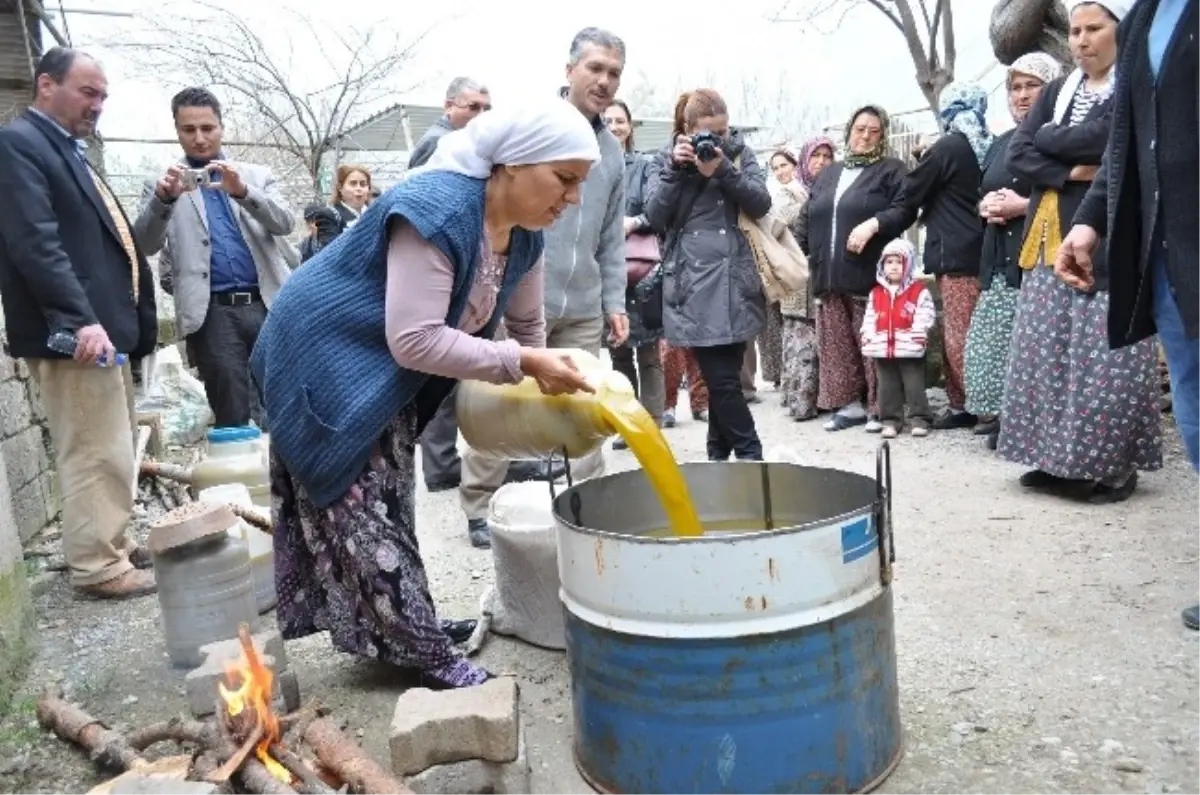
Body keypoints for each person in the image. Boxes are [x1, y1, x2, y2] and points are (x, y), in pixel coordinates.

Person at [249, 100, 600, 689]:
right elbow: (414, 340)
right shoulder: (437, 211)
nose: (572, 198)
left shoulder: (527, 237)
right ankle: (426, 653)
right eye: (563, 180)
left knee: (389, 501)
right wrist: (525, 363)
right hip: (322, 353)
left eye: (578, 185)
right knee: (362, 511)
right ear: (512, 164)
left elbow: (528, 331)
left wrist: (548, 385)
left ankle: (405, 633)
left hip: (379, 364)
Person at [1055, 0, 1200, 627]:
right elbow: (1125, 146)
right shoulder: (1143, 18)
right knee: (1196, 421)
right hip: (1167, 261)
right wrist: (1087, 225)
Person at [458, 27, 628, 548]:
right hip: (518, 295)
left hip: (581, 303)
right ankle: (479, 507)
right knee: (503, 396)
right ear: (569, 70)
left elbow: (610, 236)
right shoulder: (535, 128)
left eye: (614, 73)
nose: (603, 81)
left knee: (589, 403)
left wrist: (613, 299)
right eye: (594, 68)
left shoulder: (614, 155)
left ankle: (588, 507)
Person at [0, 47, 158, 599]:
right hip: (77, 335)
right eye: (87, 92)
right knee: (94, 449)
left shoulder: (63, 148)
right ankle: (98, 565)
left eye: (103, 96)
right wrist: (80, 321)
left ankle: (109, 540)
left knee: (112, 445)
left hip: (99, 331)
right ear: (46, 84)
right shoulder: (19, 145)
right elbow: (35, 244)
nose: (98, 105)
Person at [999, 0, 1161, 503]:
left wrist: (1054, 142)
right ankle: (1056, 460)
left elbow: (1111, 139)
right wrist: (1071, 170)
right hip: (1052, 240)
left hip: (1111, 237)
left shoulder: (1136, 87)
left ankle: (1112, 468)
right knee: (1048, 356)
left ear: (1121, 31)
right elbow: (1018, 153)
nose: (1082, 39)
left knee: (1106, 359)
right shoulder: (1058, 92)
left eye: (1095, 28)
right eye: (1074, 30)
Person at [133, 87, 294, 429]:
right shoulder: (162, 184)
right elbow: (144, 245)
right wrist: (164, 199)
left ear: (222, 127)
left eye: (208, 128)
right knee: (233, 413)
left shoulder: (255, 175)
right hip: (213, 316)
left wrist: (243, 192)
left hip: (269, 304)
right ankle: (246, 481)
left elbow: (285, 223)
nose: (200, 138)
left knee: (285, 404)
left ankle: (290, 480)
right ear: (177, 131)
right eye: (189, 130)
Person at [644, 88, 772, 461]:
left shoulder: (739, 154)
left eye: (723, 132)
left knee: (724, 382)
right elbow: (654, 216)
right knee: (722, 381)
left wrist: (724, 169)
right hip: (693, 283)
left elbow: (761, 203)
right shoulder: (664, 161)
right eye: (709, 134)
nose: (717, 141)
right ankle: (752, 457)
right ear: (687, 128)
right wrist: (675, 169)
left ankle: (717, 459)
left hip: (736, 279)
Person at [858, 82, 992, 432]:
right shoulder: (981, 144)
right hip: (978, 249)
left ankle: (984, 410)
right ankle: (964, 405)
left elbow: (911, 192)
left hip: (956, 255)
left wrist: (875, 222)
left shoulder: (948, 146)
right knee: (970, 333)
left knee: (959, 337)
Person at [963, 53, 1061, 449]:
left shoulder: (1061, 135)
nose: (1021, 96)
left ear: (1052, 88)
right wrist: (984, 206)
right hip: (999, 260)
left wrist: (1024, 206)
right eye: (1015, 88)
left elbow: (1072, 189)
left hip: (1041, 259)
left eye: (1031, 86)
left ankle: (1034, 426)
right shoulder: (1003, 143)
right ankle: (1010, 418)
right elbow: (982, 192)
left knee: (1036, 352)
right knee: (995, 348)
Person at [796, 105, 908, 433]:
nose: (866, 136)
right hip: (828, 273)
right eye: (860, 129)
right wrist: (798, 253)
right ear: (849, 131)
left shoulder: (891, 169)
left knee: (871, 342)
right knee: (836, 342)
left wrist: (874, 223)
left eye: (874, 131)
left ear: (883, 135)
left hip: (868, 273)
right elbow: (808, 214)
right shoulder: (831, 173)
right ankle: (849, 405)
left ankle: (879, 407)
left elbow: (905, 208)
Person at [602, 98, 664, 450]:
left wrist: (635, 221)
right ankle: (629, 424)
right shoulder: (591, 165)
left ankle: (653, 421)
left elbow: (659, 209)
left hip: (642, 272)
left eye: (620, 120)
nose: (614, 126)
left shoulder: (644, 166)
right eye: (607, 120)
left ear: (630, 127)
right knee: (618, 351)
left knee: (650, 352)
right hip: (606, 270)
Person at [781, 136, 835, 421]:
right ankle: (800, 402)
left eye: (827, 156)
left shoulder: (834, 190)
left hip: (821, 277)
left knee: (818, 340)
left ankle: (821, 399)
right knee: (799, 341)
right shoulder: (793, 192)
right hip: (798, 277)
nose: (821, 162)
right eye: (816, 156)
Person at [860, 239, 936, 439]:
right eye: (889, 262)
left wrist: (919, 333)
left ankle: (920, 418)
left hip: (909, 347)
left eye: (899, 262)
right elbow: (870, 317)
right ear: (882, 265)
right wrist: (867, 335)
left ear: (909, 264)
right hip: (882, 348)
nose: (893, 266)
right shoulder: (876, 293)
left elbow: (925, 313)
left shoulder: (918, 291)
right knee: (887, 386)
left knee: (914, 386)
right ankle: (890, 420)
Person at [407, 77, 491, 169]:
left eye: (487, 109)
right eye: (473, 107)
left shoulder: (467, 138)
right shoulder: (438, 141)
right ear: (449, 106)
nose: (482, 114)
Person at [330, 164, 372, 229]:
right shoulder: (331, 215)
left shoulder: (375, 214)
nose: (359, 188)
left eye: (363, 184)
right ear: (340, 187)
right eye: (353, 184)